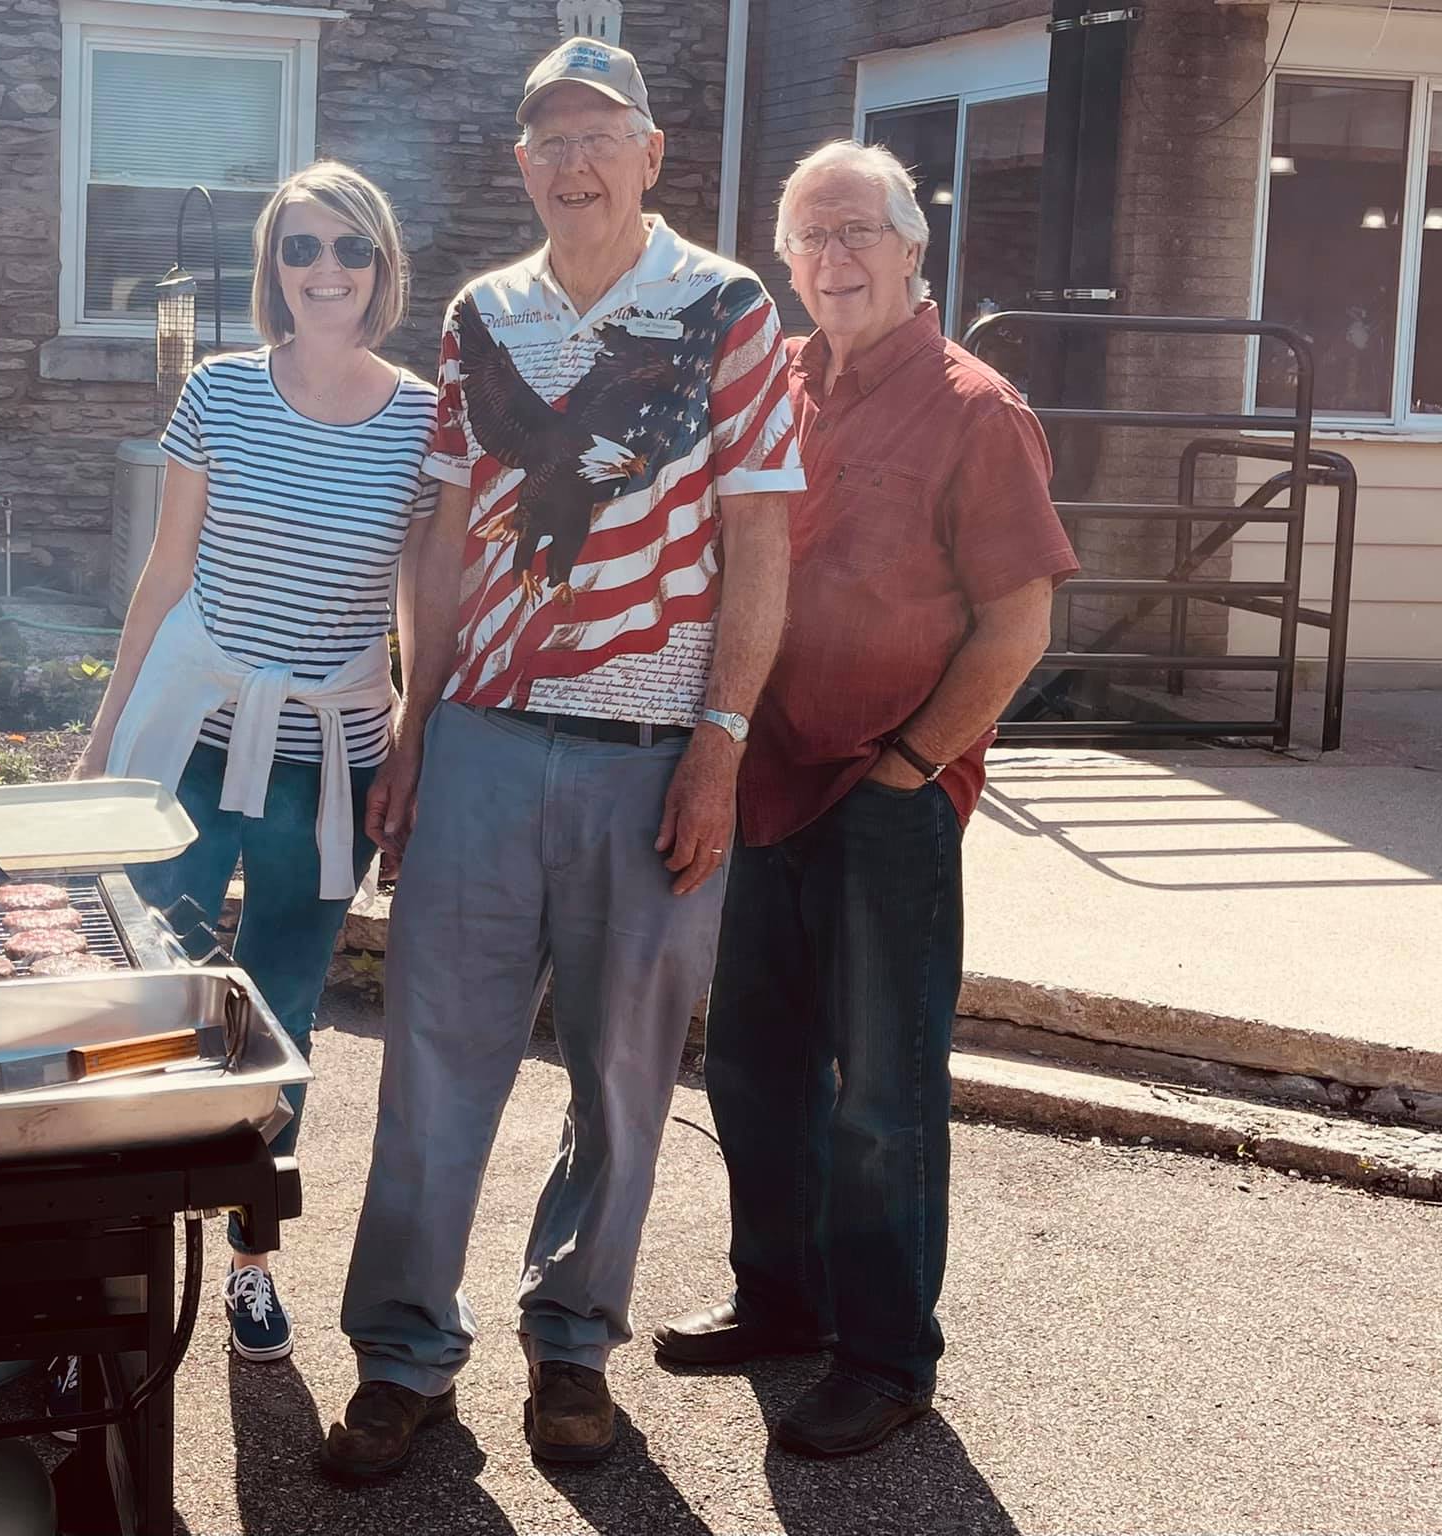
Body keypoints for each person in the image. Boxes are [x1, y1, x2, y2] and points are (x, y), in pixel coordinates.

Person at [322, 37, 802, 1481]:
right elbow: (451, 529)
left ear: (653, 155)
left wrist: (719, 745)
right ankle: (405, 1354)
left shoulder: (726, 307)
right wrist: (416, 724)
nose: (574, 160)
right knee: (432, 1070)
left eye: (602, 134)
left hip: (651, 756)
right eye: (549, 138)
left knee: (623, 1073)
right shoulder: (482, 317)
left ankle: (575, 1339)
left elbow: (763, 541)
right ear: (521, 163)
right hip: (478, 748)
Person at [652, 140, 1077, 1458]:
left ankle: (889, 1358)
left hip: (883, 795)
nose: (833, 260)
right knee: (752, 1067)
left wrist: (910, 765)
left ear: (912, 250)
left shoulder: (978, 410)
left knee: (881, 1092)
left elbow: (1018, 623)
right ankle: (783, 1303)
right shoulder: (768, 386)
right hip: (758, 780)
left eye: (858, 234)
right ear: (785, 262)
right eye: (809, 239)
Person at [73, 160, 438, 1366]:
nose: (322, 270)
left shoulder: (426, 419)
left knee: (280, 1010)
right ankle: (112, 1259)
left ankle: (248, 1260)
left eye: (347, 249)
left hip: (322, 760)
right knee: (144, 994)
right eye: (299, 249)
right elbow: (164, 574)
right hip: (192, 736)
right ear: (272, 269)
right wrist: (100, 733)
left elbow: (413, 609)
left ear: (381, 266)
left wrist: (414, 746)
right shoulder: (220, 395)